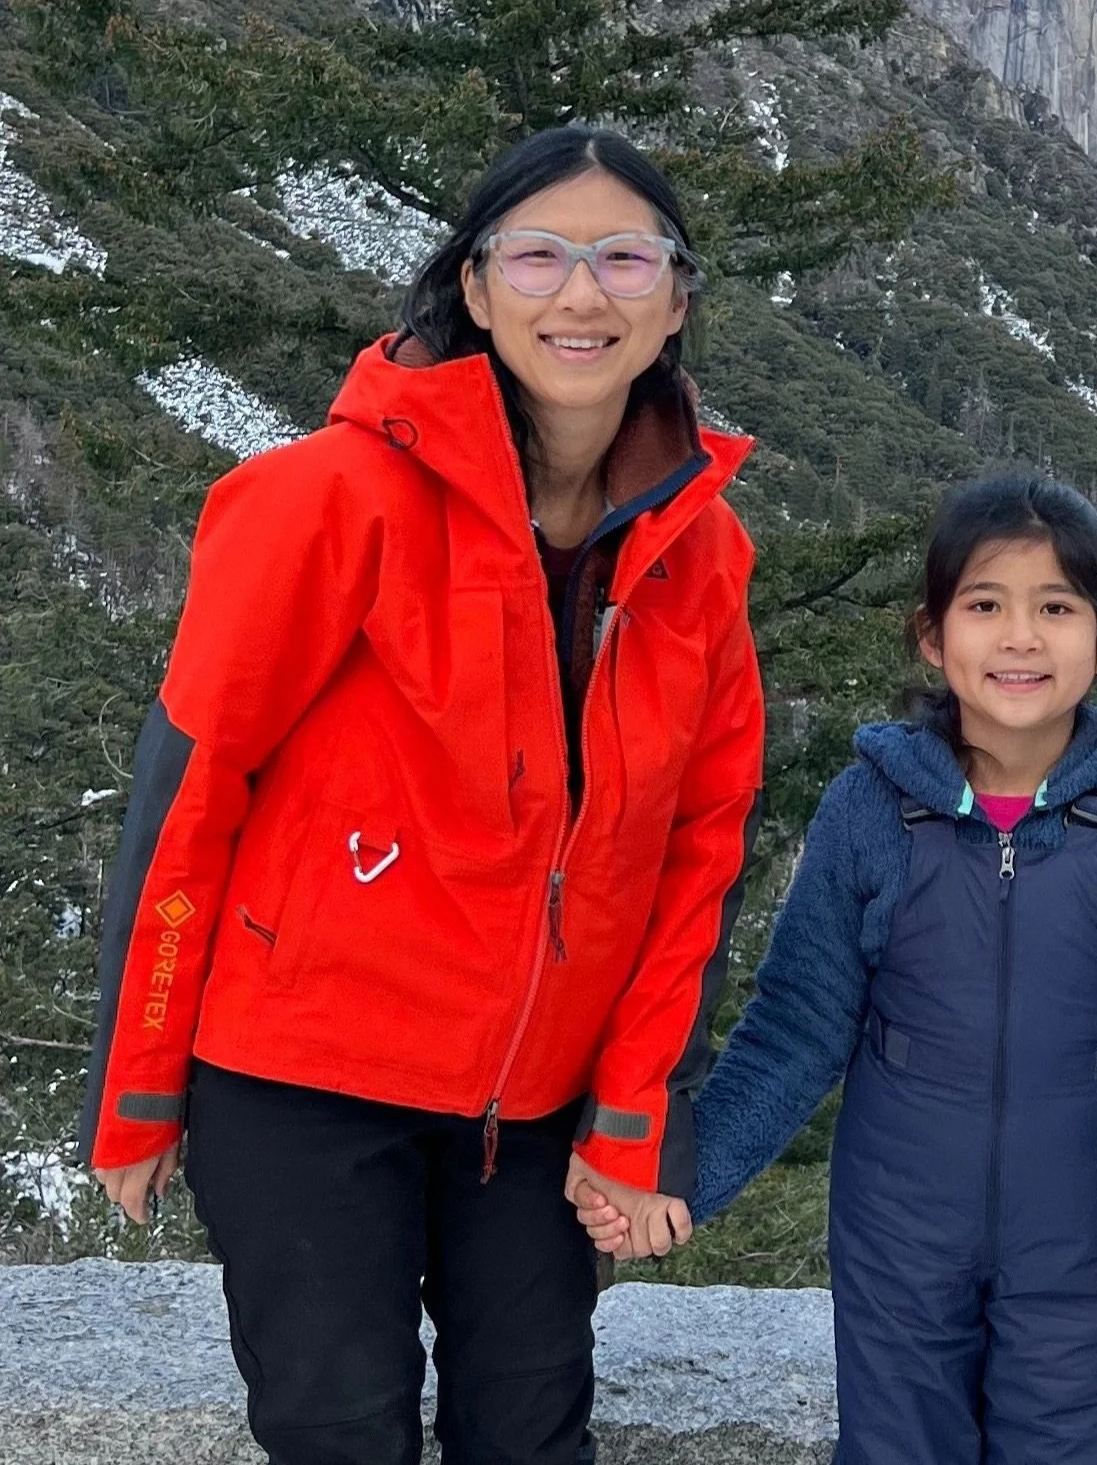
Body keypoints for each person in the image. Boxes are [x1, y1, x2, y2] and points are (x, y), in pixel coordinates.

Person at [79, 124, 763, 1465]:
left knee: (531, 1431)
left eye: (625, 259)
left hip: (535, 1104)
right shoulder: (326, 498)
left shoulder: (702, 547)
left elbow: (699, 850)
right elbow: (191, 794)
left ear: (676, 301)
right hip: (302, 1082)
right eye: (539, 256)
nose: (582, 295)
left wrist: (635, 1112)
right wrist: (137, 1088)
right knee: (339, 1429)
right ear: (474, 285)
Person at [582, 474, 1097, 1460]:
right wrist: (674, 1182)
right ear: (933, 637)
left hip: (1084, 1257)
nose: (1020, 637)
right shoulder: (873, 811)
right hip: (898, 1249)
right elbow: (795, 1030)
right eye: (985, 605)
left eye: (1056, 608)